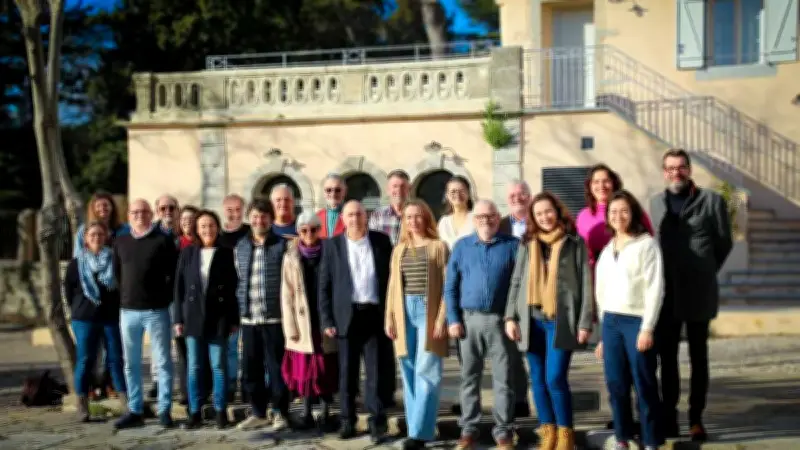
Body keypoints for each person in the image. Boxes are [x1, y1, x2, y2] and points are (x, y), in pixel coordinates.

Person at [504, 192, 593, 450]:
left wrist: (585, 322)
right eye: (539, 213)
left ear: (558, 211)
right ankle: (548, 431)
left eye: (548, 211)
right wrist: (510, 316)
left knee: (555, 378)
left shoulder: (574, 243)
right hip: (531, 321)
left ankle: (566, 433)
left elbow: (586, 286)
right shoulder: (526, 243)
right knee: (538, 379)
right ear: (533, 217)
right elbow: (517, 281)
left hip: (561, 321)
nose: (544, 217)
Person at [654, 149, 732, 441]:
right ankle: (669, 416)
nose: (677, 173)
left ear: (689, 170)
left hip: (699, 293)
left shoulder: (712, 201)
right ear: (664, 172)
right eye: (671, 168)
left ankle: (696, 418)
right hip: (666, 295)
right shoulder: (655, 203)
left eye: (681, 167)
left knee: (699, 358)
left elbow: (723, 243)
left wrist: (704, 269)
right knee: (668, 359)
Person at [445, 199, 518, 450]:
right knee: (469, 377)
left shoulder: (513, 246)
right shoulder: (462, 247)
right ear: (474, 220)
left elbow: (518, 288)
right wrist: (453, 319)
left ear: (499, 218)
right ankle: (469, 429)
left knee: (503, 379)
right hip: (468, 321)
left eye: (491, 216)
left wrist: (511, 317)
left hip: (500, 321)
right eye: (480, 217)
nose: (486, 220)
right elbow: (450, 286)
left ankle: (504, 431)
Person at [595, 190, 665, 450]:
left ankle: (650, 440)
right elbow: (601, 292)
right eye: (613, 212)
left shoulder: (646, 244)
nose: (618, 216)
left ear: (633, 213)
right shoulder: (606, 249)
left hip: (636, 321)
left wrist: (647, 328)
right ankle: (623, 437)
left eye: (624, 210)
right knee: (616, 384)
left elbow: (655, 287)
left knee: (644, 383)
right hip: (611, 322)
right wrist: (603, 334)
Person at [319, 200, 393, 442]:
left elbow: (391, 281)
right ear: (343, 218)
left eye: (359, 214)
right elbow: (324, 286)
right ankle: (347, 421)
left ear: (366, 216)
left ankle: (376, 421)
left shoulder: (381, 241)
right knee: (347, 373)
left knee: (376, 372)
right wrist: (327, 319)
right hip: (346, 316)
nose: (354, 219)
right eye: (350, 215)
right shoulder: (332, 246)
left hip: (375, 314)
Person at [385, 200, 450, 450]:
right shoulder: (399, 249)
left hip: (428, 311)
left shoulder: (438, 247)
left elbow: (447, 286)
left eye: (418, 216)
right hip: (404, 311)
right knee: (409, 370)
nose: (413, 221)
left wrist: (442, 318)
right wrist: (389, 317)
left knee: (428, 370)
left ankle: (420, 434)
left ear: (427, 219)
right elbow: (392, 286)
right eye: (409, 217)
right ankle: (415, 429)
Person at [113, 199, 179, 430]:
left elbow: (174, 274)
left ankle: (164, 410)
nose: (139, 215)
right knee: (131, 364)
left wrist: (164, 299)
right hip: (128, 311)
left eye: (143, 212)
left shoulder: (162, 240)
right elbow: (117, 275)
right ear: (129, 215)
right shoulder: (120, 242)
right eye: (135, 212)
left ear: (151, 214)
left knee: (162, 362)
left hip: (156, 311)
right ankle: (135, 410)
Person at [173, 210, 240, 430]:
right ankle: (195, 412)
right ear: (196, 229)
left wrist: (233, 319)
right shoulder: (188, 253)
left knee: (218, 365)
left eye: (211, 225)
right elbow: (179, 288)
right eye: (202, 226)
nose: (207, 230)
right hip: (193, 316)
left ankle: (220, 410)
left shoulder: (226, 253)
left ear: (217, 227)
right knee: (194, 366)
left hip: (218, 317)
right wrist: (178, 319)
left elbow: (232, 289)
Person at [234, 200, 292, 431]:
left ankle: (280, 412)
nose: (260, 221)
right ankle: (258, 412)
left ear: (271, 218)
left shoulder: (282, 245)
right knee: (251, 368)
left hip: (274, 319)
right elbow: (238, 280)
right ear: (249, 218)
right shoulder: (240, 246)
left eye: (264, 216)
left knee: (277, 369)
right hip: (249, 319)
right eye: (256, 216)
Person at [280, 212, 338, 429]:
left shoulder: (329, 252)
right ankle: (305, 412)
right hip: (302, 319)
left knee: (325, 367)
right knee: (304, 368)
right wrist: (290, 327)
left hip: (324, 317)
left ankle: (325, 413)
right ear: (298, 232)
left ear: (319, 230)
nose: (309, 234)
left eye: (314, 229)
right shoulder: (291, 256)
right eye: (304, 230)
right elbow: (286, 295)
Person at [64, 221, 126, 421]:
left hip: (110, 318)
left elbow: (120, 287)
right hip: (84, 319)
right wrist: (79, 309)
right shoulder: (76, 263)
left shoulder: (115, 260)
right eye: (92, 235)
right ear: (85, 239)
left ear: (106, 237)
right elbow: (68, 291)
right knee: (85, 360)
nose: (96, 238)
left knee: (116, 359)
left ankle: (126, 403)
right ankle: (82, 404)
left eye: (100, 234)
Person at [71, 191, 129, 400]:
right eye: (99, 206)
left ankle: (113, 387)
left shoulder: (122, 231)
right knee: (88, 354)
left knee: (113, 354)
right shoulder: (82, 236)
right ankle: (88, 391)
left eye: (107, 206)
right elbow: (74, 278)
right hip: (86, 309)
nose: (103, 210)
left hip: (112, 306)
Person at [368, 170, 409, 408]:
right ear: (388, 189)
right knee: (385, 341)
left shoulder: (416, 214)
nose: (398, 191)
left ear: (409, 187)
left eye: (402, 186)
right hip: (384, 285)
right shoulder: (377, 217)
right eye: (394, 186)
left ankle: (410, 393)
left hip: (412, 283)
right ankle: (386, 393)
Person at [496, 179, 534, 418]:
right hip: (507, 297)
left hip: (535, 297)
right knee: (510, 354)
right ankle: (518, 401)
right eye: (512, 195)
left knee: (536, 354)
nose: (517, 198)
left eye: (522, 194)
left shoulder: (540, 220)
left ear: (529, 196)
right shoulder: (498, 225)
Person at [576, 164, 654, 268]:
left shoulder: (632, 210)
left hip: (630, 270)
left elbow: (648, 240)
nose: (601, 186)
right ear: (590, 186)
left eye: (606, 181)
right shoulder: (583, 217)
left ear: (614, 183)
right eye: (596, 182)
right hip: (595, 275)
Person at [217, 193, 250, 401]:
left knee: (249, 346)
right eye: (229, 210)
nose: (234, 214)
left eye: (237, 209)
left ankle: (248, 385)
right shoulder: (218, 236)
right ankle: (230, 385)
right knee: (230, 346)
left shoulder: (249, 233)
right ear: (223, 210)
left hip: (248, 295)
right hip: (227, 299)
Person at [73, 191, 130, 257]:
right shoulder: (83, 230)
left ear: (112, 207)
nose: (102, 208)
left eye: (105, 205)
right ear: (93, 209)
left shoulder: (126, 229)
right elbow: (77, 256)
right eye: (98, 206)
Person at [437, 175, 474, 249]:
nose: (458, 195)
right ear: (447, 195)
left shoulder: (476, 218)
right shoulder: (443, 222)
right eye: (453, 191)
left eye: (462, 191)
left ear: (469, 194)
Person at [317, 173, 347, 238]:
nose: (333, 194)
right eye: (328, 190)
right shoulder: (316, 217)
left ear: (344, 192)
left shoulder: (351, 215)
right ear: (324, 193)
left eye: (337, 190)